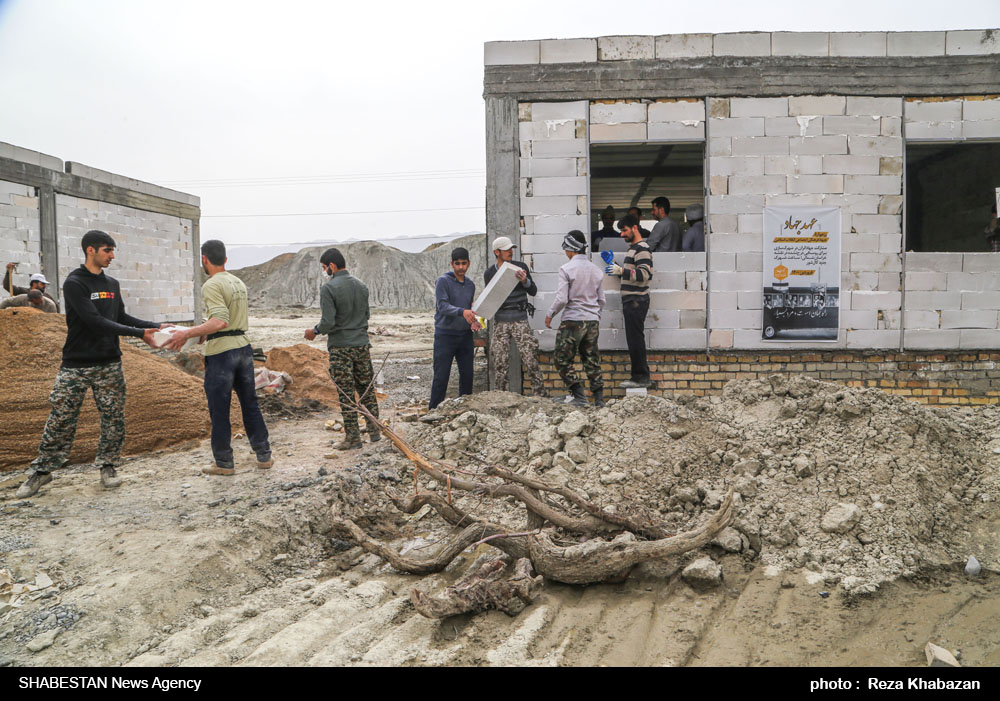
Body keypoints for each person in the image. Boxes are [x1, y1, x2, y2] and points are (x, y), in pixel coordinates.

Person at [16, 230, 165, 498]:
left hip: (109, 363)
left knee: (113, 418)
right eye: (107, 250)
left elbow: (121, 316)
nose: (112, 255)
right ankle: (42, 472)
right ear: (90, 251)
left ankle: (108, 467)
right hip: (76, 364)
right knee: (61, 417)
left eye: (112, 250)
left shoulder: (112, 284)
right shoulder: (74, 283)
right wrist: (140, 335)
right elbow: (94, 321)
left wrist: (155, 326)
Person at [165, 240, 272, 475]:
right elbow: (227, 320)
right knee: (250, 403)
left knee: (220, 408)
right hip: (244, 348)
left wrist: (187, 333)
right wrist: (203, 333)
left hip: (222, 353)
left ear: (204, 259)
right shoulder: (238, 283)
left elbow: (221, 321)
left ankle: (223, 462)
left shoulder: (211, 285)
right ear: (225, 259)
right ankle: (264, 455)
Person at [303, 247, 380, 450]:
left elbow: (328, 322)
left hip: (341, 348)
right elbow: (367, 316)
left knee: (346, 394)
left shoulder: (328, 288)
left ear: (332, 266)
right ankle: (375, 432)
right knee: (367, 390)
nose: (324, 271)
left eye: (324, 267)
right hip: (362, 345)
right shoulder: (362, 286)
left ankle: (353, 438)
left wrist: (314, 331)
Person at [545, 230, 605, 407]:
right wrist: (595, 316)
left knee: (562, 359)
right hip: (592, 321)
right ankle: (599, 399)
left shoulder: (566, 269)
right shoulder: (597, 271)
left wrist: (550, 314)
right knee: (591, 359)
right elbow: (602, 300)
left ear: (570, 249)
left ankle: (578, 395)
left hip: (572, 321)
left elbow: (562, 299)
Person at [484, 236, 547, 397]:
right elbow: (490, 299)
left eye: (511, 249)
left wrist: (524, 280)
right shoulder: (490, 273)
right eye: (506, 250)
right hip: (500, 321)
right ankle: (500, 397)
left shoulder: (519, 267)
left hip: (520, 320)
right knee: (500, 362)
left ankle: (541, 396)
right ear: (497, 252)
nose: (510, 252)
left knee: (530, 359)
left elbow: (533, 290)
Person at [605, 214, 653, 389]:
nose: (622, 234)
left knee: (635, 340)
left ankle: (640, 377)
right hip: (632, 300)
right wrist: (616, 267)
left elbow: (644, 275)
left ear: (635, 228)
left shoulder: (642, 249)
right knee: (634, 339)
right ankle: (639, 376)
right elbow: (632, 274)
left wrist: (621, 270)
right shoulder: (634, 249)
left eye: (624, 230)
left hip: (636, 300)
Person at [429, 247, 481, 409]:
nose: (460, 267)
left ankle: (464, 411)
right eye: (457, 264)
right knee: (441, 376)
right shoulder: (443, 281)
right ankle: (433, 412)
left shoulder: (470, 285)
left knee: (467, 376)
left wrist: (473, 320)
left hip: (465, 336)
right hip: (445, 336)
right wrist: (462, 312)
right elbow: (443, 306)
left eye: (463, 263)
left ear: (469, 264)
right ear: (452, 264)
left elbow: (467, 309)